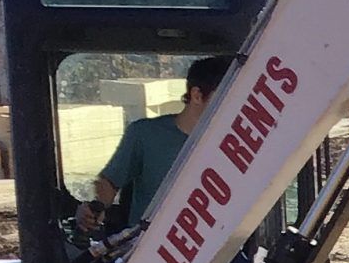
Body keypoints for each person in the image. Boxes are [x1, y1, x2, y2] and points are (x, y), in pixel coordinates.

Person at [79, 52, 233, 233]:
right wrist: (95, 208)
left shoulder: (236, 145)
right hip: (147, 248)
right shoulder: (144, 134)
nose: (234, 104)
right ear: (197, 95)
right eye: (226, 95)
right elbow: (109, 182)